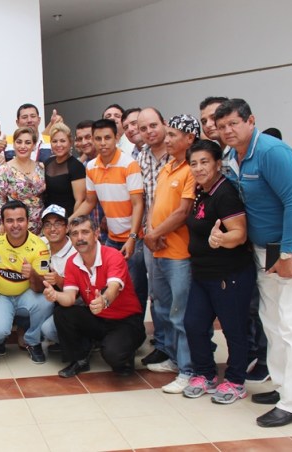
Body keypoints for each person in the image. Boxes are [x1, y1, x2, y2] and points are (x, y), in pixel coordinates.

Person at [214, 98, 292, 428]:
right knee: (272, 322)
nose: (228, 130)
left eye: (234, 124)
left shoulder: (271, 152)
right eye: (222, 125)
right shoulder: (232, 157)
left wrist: (286, 253)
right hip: (262, 248)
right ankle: (283, 387)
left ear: (251, 121)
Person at [182, 139, 255, 404]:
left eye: (204, 162)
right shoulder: (202, 190)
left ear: (217, 163)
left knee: (234, 329)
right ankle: (205, 374)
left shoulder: (225, 193)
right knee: (193, 324)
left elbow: (239, 233)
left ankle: (235, 381)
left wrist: (220, 240)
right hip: (202, 274)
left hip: (229, 274)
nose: (199, 168)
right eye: (193, 163)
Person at [42, 215, 145, 377]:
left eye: (85, 232)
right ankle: (79, 360)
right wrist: (55, 295)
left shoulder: (113, 255)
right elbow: (69, 298)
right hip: (98, 318)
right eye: (75, 234)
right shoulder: (72, 262)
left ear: (96, 233)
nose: (80, 238)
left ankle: (125, 352)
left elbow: (114, 287)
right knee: (63, 312)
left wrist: (104, 300)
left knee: (114, 357)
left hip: (125, 320)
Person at [143, 114, 199, 395]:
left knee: (181, 314)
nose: (167, 139)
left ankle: (189, 370)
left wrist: (154, 234)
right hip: (158, 250)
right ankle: (176, 360)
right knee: (163, 309)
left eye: (173, 135)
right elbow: (156, 205)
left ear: (190, 139)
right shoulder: (168, 167)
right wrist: (151, 233)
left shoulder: (191, 169)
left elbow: (183, 212)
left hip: (178, 254)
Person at [72, 119, 145, 305]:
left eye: (107, 138)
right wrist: (70, 221)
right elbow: (90, 201)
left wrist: (132, 237)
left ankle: (136, 332)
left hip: (135, 239)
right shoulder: (91, 167)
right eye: (98, 138)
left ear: (116, 138)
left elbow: (138, 204)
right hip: (111, 238)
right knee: (110, 286)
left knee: (135, 287)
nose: (103, 143)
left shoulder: (130, 164)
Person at [0, 200, 52, 363]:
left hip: (26, 294)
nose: (15, 225)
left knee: (47, 300)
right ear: (2, 223)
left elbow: (39, 288)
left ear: (28, 222)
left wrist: (33, 274)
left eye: (20, 220)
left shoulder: (39, 246)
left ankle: (33, 341)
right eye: (9, 220)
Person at [136, 107, 171, 366]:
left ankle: (182, 349)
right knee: (157, 295)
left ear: (164, 123)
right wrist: (149, 233)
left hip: (178, 237)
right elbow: (144, 201)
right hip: (150, 238)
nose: (149, 131)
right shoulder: (140, 158)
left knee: (180, 297)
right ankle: (162, 344)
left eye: (153, 125)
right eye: (143, 128)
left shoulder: (180, 154)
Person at [0, 127, 47, 235]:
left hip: (40, 227)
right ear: (14, 144)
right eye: (19, 142)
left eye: (27, 142)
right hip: (14, 227)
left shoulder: (41, 167)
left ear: (34, 145)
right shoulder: (3, 170)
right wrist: (8, 223)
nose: (23, 146)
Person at [38, 204, 78, 350]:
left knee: (49, 329)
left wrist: (59, 280)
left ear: (67, 228)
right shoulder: (41, 243)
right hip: (51, 298)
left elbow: (79, 296)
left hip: (75, 305)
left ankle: (85, 343)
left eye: (58, 224)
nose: (52, 229)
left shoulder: (76, 251)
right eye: (47, 224)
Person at [44, 122, 86, 218]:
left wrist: (71, 222)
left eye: (63, 141)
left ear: (70, 142)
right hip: (48, 219)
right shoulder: (47, 163)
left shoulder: (76, 166)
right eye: (54, 141)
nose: (58, 145)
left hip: (67, 219)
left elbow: (79, 201)